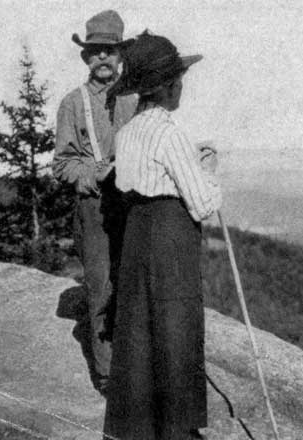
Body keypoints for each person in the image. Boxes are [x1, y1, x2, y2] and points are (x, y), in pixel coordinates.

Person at [103, 31, 221, 440]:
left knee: (137, 330)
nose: (182, 86)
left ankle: (137, 429)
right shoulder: (170, 133)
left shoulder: (127, 132)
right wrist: (208, 168)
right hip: (170, 237)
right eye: (179, 80)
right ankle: (177, 430)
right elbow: (203, 203)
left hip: (137, 233)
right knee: (176, 327)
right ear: (168, 86)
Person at [52, 10, 138, 396]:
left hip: (135, 205)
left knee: (135, 284)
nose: (103, 58)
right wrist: (94, 173)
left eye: (110, 51)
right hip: (95, 206)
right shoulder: (73, 103)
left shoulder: (137, 98)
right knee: (101, 287)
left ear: (121, 56)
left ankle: (138, 364)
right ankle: (107, 376)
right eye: (96, 52)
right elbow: (62, 163)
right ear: (86, 58)